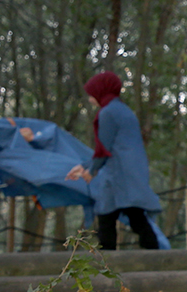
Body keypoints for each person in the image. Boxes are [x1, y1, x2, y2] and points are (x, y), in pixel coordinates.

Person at [65, 72, 162, 250]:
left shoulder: (107, 113)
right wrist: (84, 166)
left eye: (92, 92)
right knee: (136, 217)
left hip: (117, 176)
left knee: (106, 219)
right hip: (130, 173)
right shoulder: (124, 110)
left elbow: (104, 149)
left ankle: (107, 263)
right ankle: (154, 258)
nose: (90, 97)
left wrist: (91, 170)